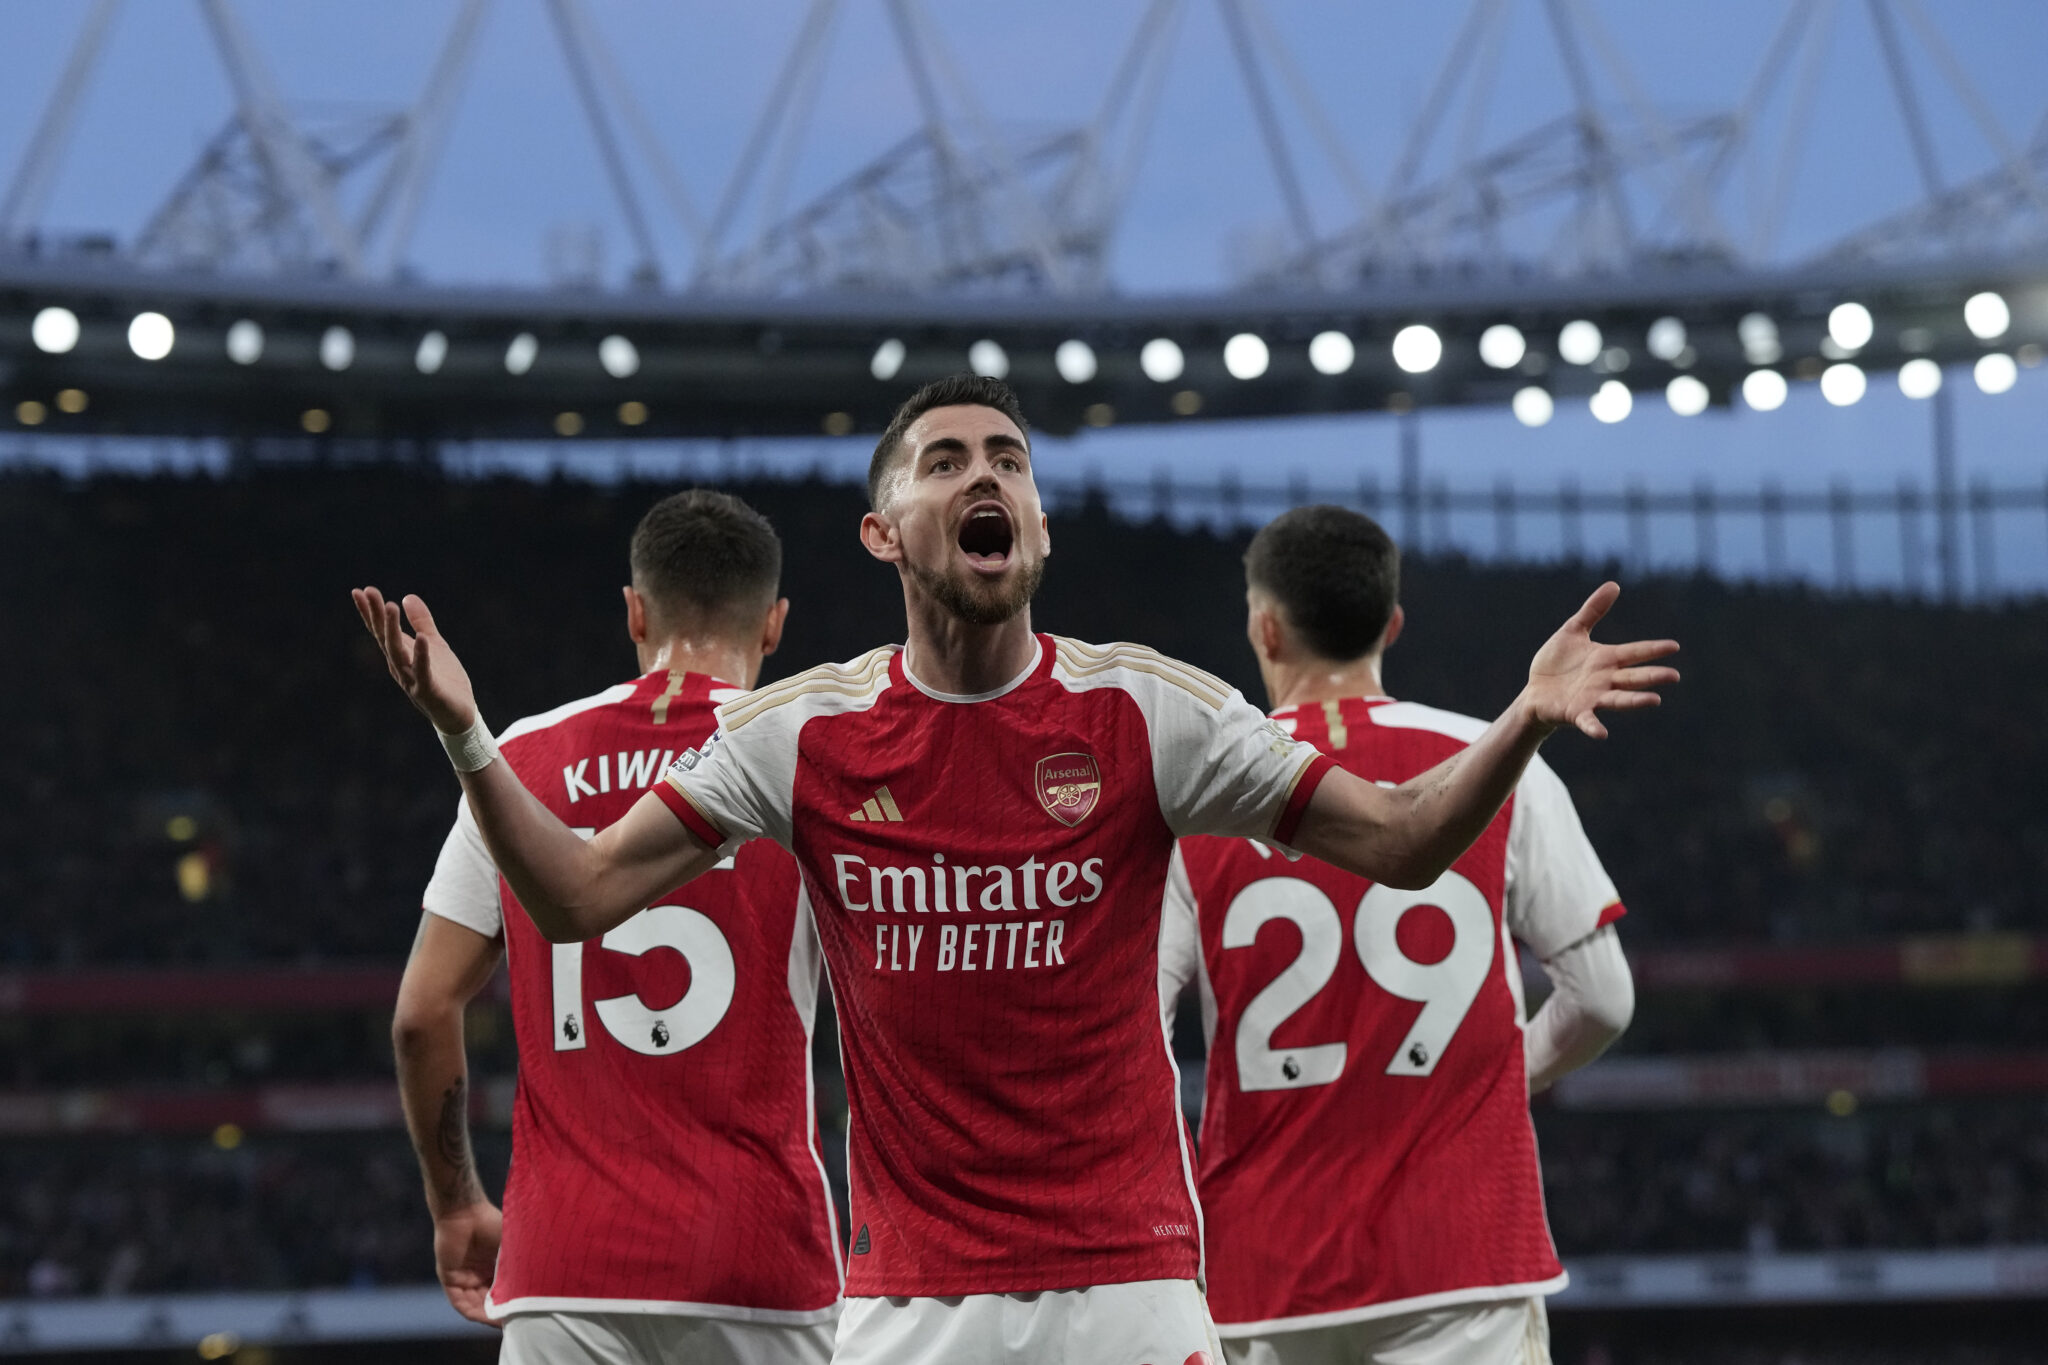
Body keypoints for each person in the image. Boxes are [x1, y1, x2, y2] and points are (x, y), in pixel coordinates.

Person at [354, 374, 1677, 1365]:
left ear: (1038, 525)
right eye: (943, 461)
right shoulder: (800, 734)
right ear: (885, 532)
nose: (983, 473)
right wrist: (465, 735)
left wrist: (1522, 718)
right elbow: (579, 895)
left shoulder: (1151, 712)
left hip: (1131, 1292)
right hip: (908, 1306)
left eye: (1008, 459)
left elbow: (1398, 840)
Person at [1161, 506, 1637, 1365]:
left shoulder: (1206, 796)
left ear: (1264, 628)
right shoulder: (1499, 761)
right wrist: (1499, 1077)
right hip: (1462, 1258)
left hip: (1263, 1268)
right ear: (1392, 625)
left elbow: (1136, 1029)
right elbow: (1602, 998)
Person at [389, 489, 842, 1365]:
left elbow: (421, 1013)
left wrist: (457, 1204)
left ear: (635, 611)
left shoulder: (518, 758)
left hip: (563, 1266)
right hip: (759, 1258)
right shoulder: (806, 758)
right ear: (774, 623)